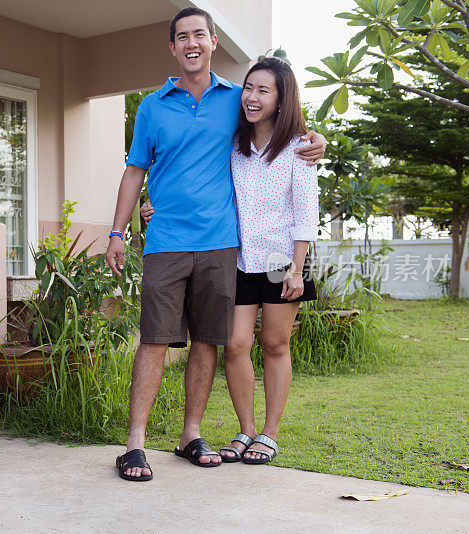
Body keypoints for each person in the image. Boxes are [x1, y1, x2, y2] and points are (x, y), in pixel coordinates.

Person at [106, 7, 325, 482]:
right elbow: (138, 171)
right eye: (181, 36)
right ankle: (138, 444)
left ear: (212, 42)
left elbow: (288, 143)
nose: (191, 43)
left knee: (233, 340)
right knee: (169, 341)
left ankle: (200, 433)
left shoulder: (238, 105)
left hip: (245, 250)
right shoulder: (156, 107)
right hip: (181, 243)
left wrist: (317, 140)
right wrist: (121, 228)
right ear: (172, 47)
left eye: (199, 35)